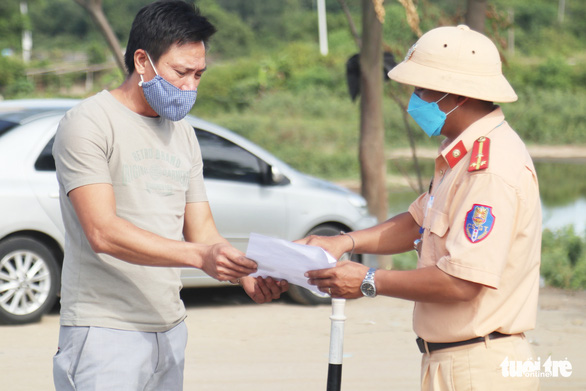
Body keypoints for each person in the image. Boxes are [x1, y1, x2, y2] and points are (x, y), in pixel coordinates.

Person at [52, 1, 287, 389]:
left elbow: (203, 231)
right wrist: (200, 257)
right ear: (142, 61)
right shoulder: (88, 123)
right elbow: (103, 232)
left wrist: (244, 271)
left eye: (199, 74)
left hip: (170, 327)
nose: (191, 86)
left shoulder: (184, 134)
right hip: (105, 331)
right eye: (181, 72)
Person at [301, 25, 541, 390]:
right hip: (452, 360)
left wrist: (367, 281)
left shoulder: (490, 167)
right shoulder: (460, 157)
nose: (415, 100)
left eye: (422, 89)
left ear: (455, 94)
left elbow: (462, 283)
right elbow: (417, 222)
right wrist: (343, 243)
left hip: (481, 366)